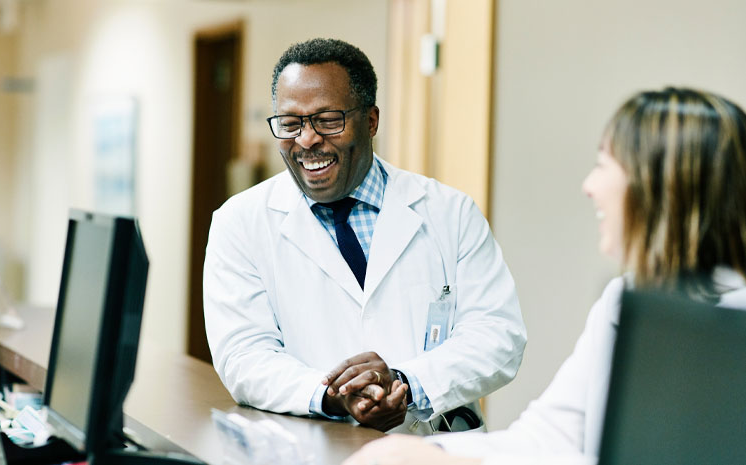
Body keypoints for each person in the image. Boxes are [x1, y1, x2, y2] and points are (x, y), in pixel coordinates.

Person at [342, 87, 746, 463]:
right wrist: (430, 454)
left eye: (605, 165)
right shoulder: (627, 300)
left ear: (661, 188)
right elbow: (550, 435)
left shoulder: (726, 326)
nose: (590, 185)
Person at [203, 38, 526, 434]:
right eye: (290, 123)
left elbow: (498, 336)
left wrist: (404, 383)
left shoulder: (449, 212)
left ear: (371, 120)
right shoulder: (239, 223)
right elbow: (243, 355)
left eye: (327, 120)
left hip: (433, 448)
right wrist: (332, 395)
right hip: (317, 447)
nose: (306, 140)